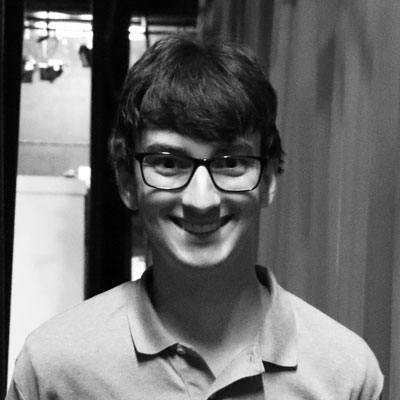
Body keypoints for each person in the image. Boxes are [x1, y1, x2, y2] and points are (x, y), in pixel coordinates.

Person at [6, 35, 383, 400]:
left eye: (231, 163)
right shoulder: (55, 370)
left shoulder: (346, 375)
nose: (201, 200)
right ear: (127, 182)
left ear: (268, 180)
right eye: (169, 163)